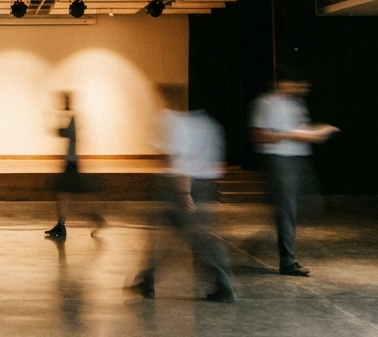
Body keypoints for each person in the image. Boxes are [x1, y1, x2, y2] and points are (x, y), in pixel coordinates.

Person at [130, 85, 235, 302]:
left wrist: (183, 192)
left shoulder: (171, 121)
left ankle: (224, 284)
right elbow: (216, 164)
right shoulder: (209, 125)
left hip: (179, 187)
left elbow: (177, 159)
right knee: (177, 238)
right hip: (202, 185)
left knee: (187, 239)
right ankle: (146, 281)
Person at [249, 65, 337, 277]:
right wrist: (295, 136)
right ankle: (287, 260)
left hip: (299, 159)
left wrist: (315, 133)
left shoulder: (297, 103)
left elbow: (301, 129)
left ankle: (271, 240)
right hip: (280, 161)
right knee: (287, 210)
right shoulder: (265, 103)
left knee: (307, 206)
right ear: (283, 83)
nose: (303, 88)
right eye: (299, 83)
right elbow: (260, 135)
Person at [44, 91, 104, 240]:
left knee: (69, 195)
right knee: (64, 195)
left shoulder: (73, 117)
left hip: (71, 163)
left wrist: (54, 124)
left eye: (64, 100)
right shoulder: (72, 117)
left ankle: (97, 220)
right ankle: (62, 225)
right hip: (70, 162)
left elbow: (66, 133)